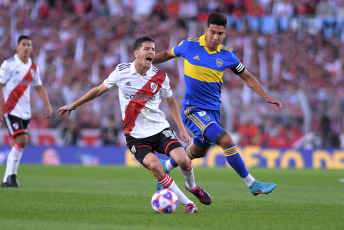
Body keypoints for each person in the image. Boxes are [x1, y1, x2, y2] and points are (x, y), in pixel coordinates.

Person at [58, 36, 212, 213]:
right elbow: (99, 90)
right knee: (155, 167)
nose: (151, 52)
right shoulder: (122, 71)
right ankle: (189, 204)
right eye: (147, 49)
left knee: (183, 159)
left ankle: (192, 186)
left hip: (160, 129)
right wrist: (74, 104)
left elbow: (170, 101)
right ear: (136, 53)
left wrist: (181, 128)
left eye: (153, 49)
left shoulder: (161, 76)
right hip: (136, 136)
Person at [153, 13, 283, 195]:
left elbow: (246, 76)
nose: (215, 37)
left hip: (213, 113)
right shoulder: (189, 45)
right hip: (193, 110)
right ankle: (252, 184)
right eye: (212, 32)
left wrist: (266, 96)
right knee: (227, 140)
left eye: (220, 34)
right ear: (206, 30)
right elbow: (167, 54)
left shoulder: (228, 55)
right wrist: (148, 60)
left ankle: (164, 168)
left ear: (225, 34)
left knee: (198, 152)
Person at [0, 35, 52, 187]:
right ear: (17, 47)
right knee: (22, 140)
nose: (26, 47)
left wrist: (47, 105)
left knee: (16, 144)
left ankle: (7, 180)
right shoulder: (8, 65)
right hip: (10, 110)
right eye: (23, 44)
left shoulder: (33, 67)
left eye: (29, 45)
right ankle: (12, 176)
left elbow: (39, 87)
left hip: (25, 112)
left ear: (32, 48)